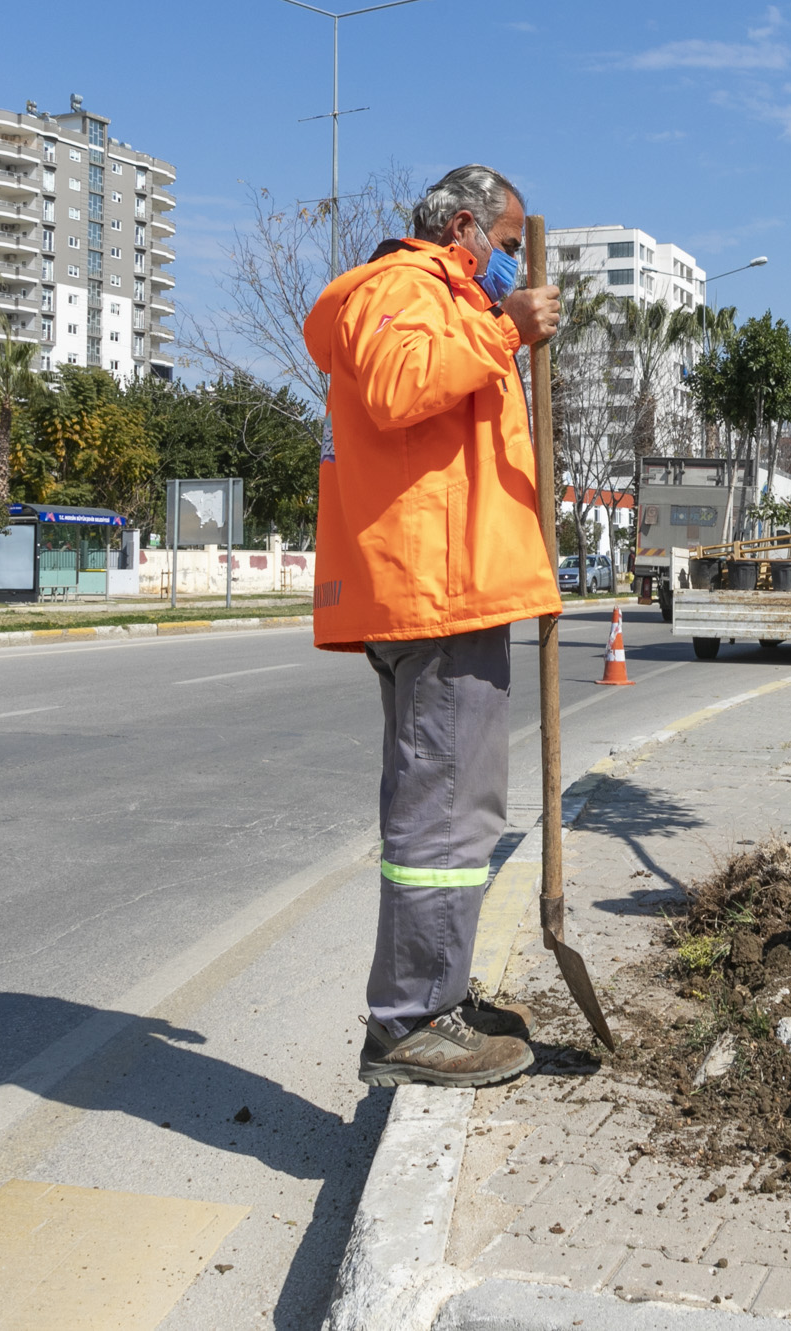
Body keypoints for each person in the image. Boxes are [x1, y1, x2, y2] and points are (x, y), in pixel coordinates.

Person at [304, 164, 563, 1087]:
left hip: (457, 586)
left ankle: (437, 994)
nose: (506, 265)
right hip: (436, 590)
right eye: (504, 241)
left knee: (454, 803)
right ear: (466, 225)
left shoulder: (446, 297)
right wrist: (506, 328)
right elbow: (398, 387)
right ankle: (411, 1019)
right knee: (447, 810)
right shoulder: (402, 288)